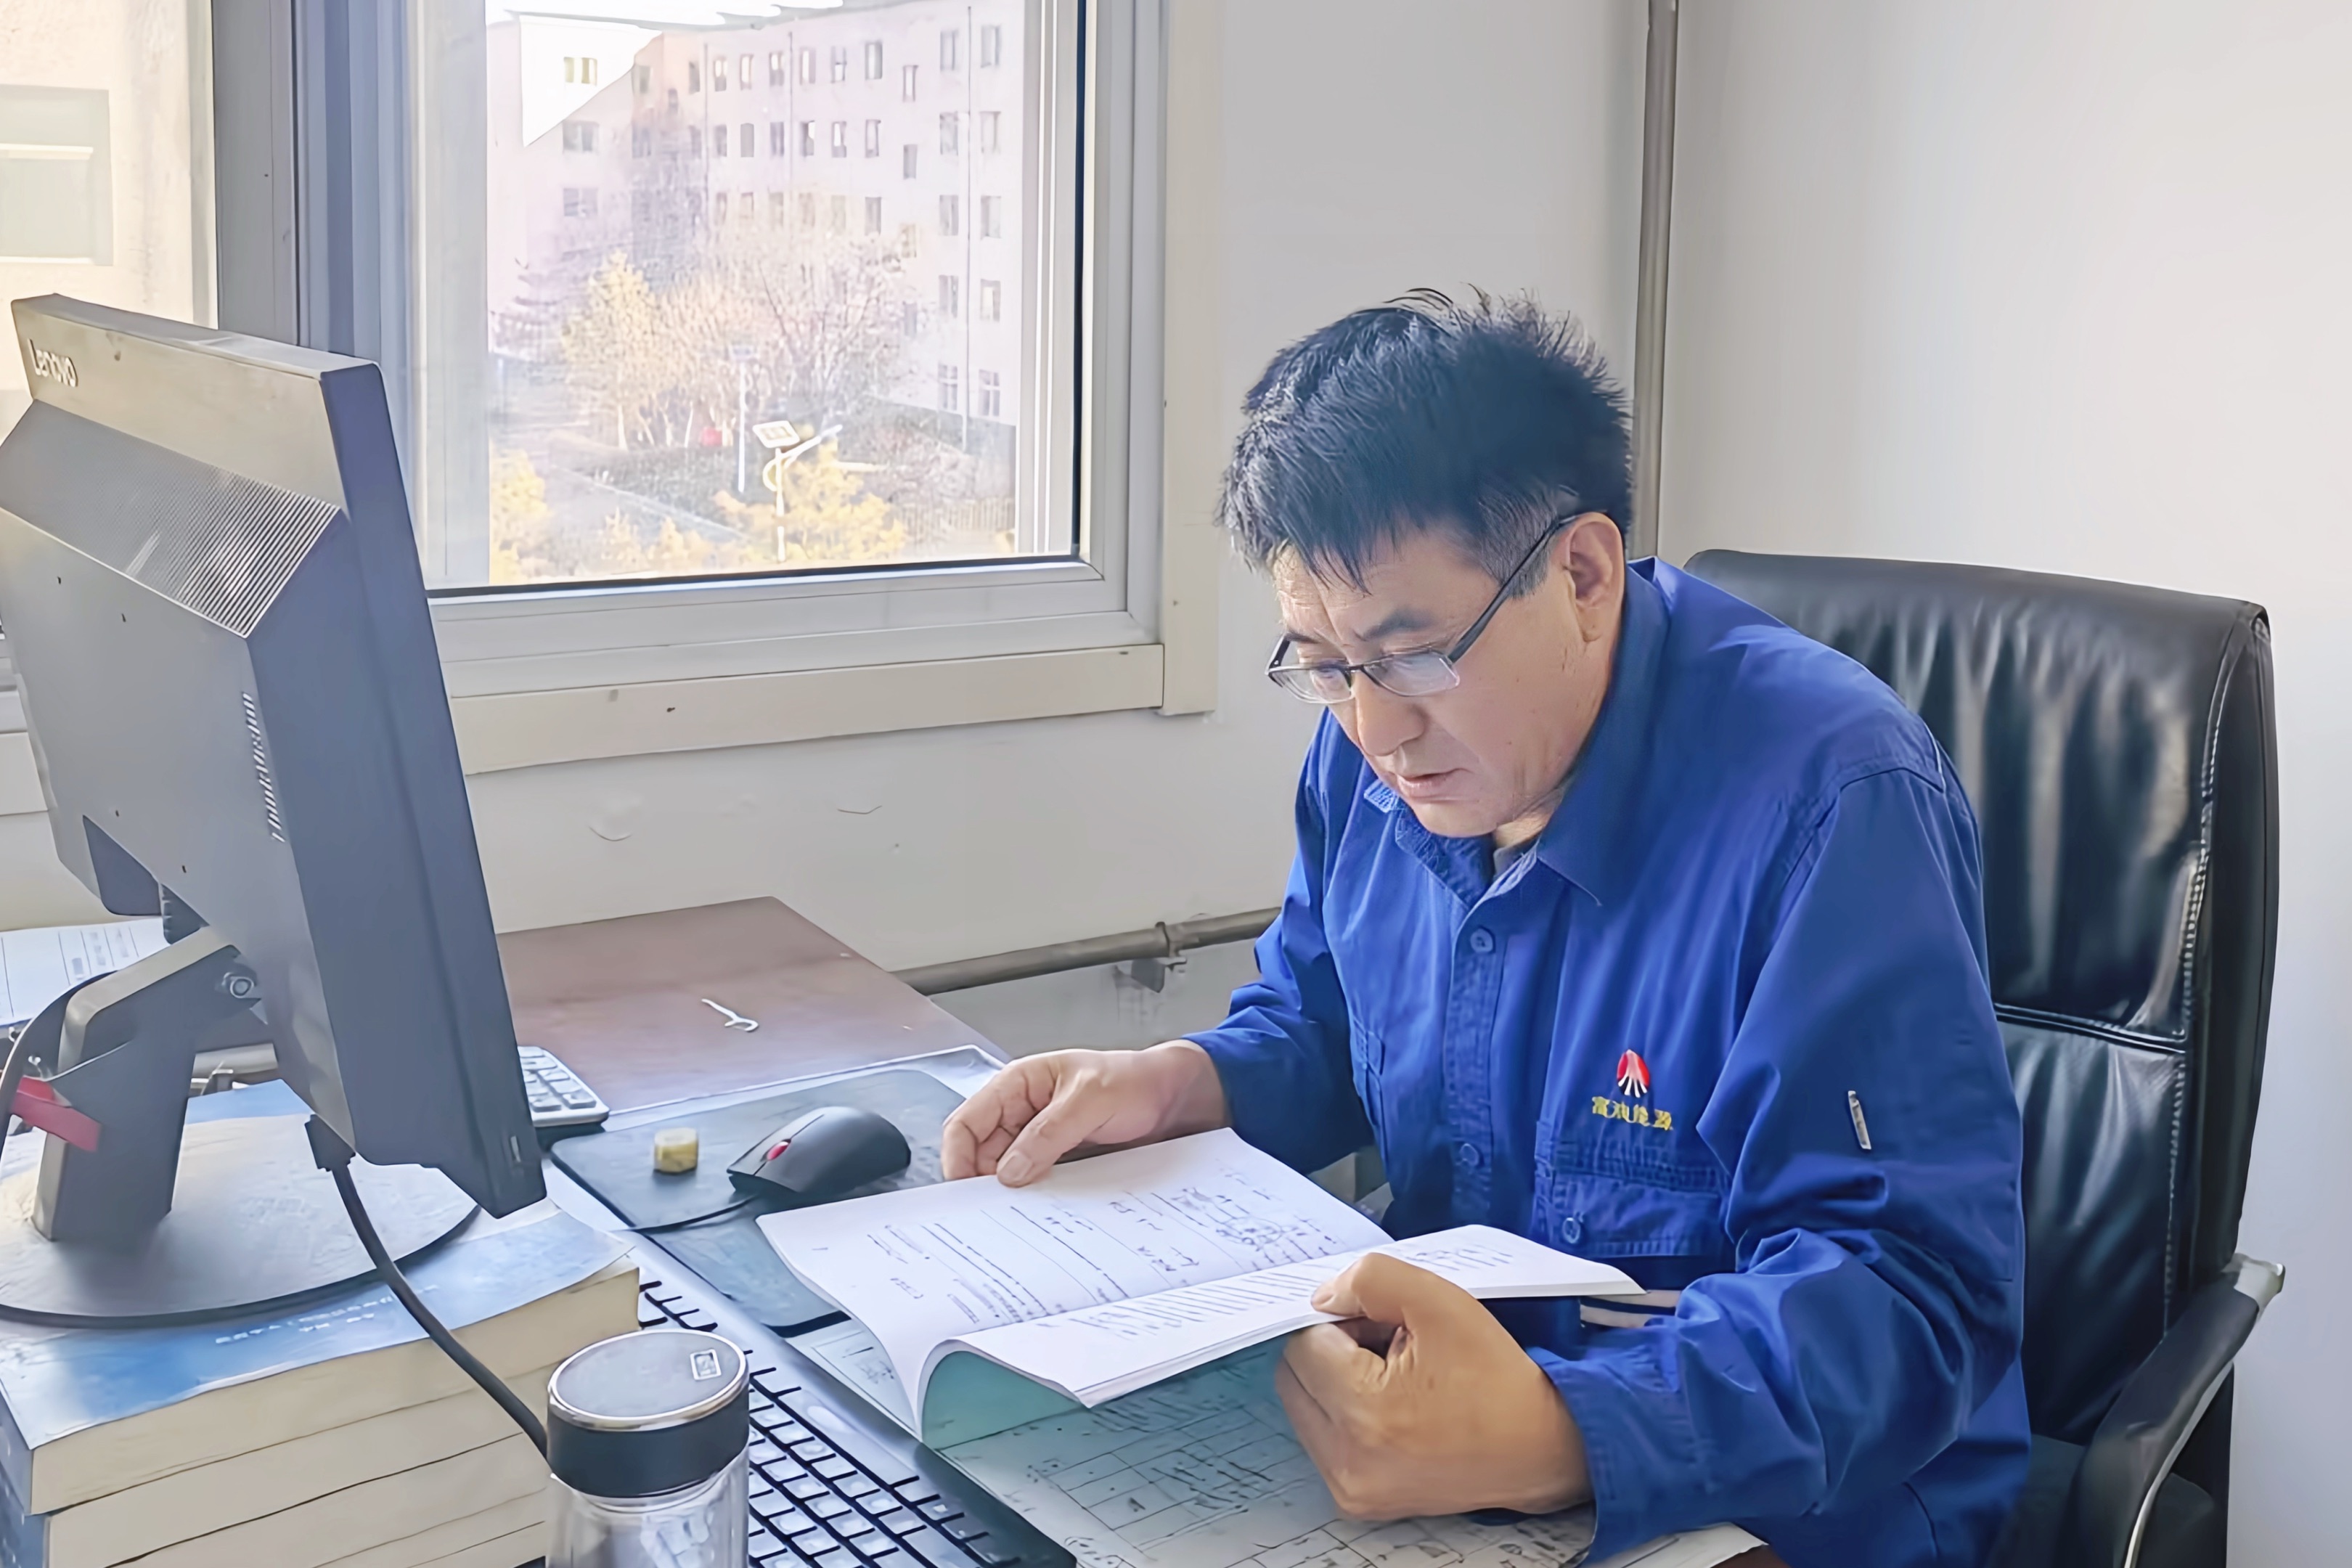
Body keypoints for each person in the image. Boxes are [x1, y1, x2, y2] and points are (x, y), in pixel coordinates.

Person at [941, 292, 2030, 1568]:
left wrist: (1564, 1430)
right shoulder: (1376, 751)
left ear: (1582, 576)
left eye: (1412, 657)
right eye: (1323, 664)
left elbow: (1908, 1294)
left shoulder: (1833, 801)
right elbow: (1326, 1020)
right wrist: (1183, 1085)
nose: (1374, 729)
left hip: (1778, 1506)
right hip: (1439, 1450)